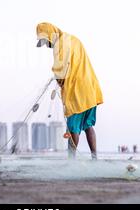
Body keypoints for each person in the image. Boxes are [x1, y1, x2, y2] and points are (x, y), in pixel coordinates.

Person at [36, 22, 103, 159]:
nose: (46, 45)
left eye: (45, 41)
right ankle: (95, 157)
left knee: (73, 128)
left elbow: (61, 72)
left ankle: (71, 160)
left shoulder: (59, 44)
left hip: (76, 91)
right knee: (88, 125)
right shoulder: (73, 39)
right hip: (90, 88)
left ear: (49, 34)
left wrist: (58, 81)